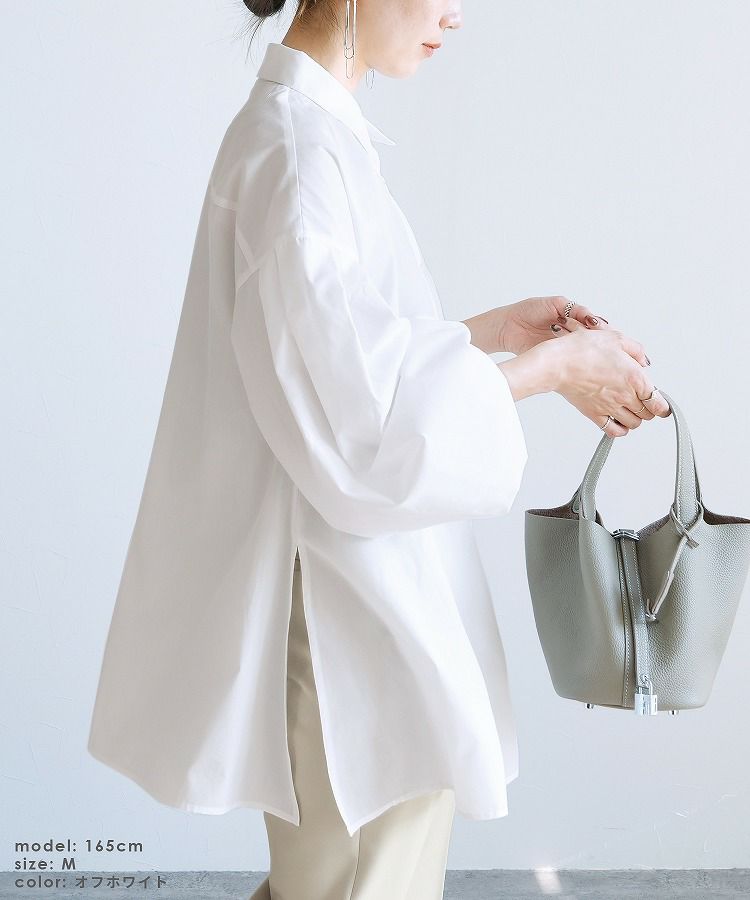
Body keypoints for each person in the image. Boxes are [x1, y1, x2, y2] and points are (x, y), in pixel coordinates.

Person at [87, 1, 672, 898]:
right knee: (360, 880)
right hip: (347, 615)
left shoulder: (308, 134)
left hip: (354, 600)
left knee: (338, 878)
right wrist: (551, 370)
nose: (456, 15)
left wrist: (490, 334)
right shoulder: (297, 152)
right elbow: (363, 426)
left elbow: (341, 362)